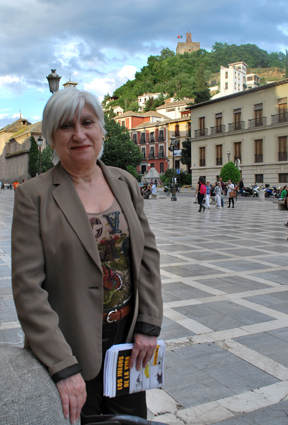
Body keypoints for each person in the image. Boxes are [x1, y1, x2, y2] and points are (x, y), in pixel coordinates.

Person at [11, 89, 163, 425]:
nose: (79, 134)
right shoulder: (34, 196)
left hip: (128, 341)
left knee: (130, 421)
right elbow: (27, 288)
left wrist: (148, 325)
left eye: (87, 122)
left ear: (101, 130)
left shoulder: (124, 182)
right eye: (66, 126)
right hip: (71, 341)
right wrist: (62, 366)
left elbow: (147, 255)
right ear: (52, 137)